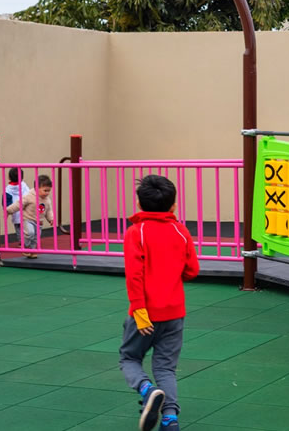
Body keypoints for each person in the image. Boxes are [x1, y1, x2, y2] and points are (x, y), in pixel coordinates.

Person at [119, 175, 200, 431]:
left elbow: (134, 275)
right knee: (166, 367)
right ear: (173, 205)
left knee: (129, 357)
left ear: (139, 203)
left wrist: (140, 311)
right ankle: (170, 419)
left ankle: (146, 388)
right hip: (174, 312)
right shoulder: (180, 230)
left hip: (145, 312)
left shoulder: (136, 232)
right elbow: (192, 270)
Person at [6, 174, 54, 259]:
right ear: (37, 188)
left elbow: (49, 210)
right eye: (45, 190)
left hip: (39, 222)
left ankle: (32, 251)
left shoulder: (47, 200)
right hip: (28, 219)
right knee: (29, 233)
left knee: (35, 238)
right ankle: (25, 246)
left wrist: (51, 219)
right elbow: (19, 204)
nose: (47, 193)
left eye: (48, 191)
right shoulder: (29, 196)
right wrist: (9, 210)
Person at [4, 167, 30, 241]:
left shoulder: (8, 189)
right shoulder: (24, 186)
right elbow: (30, 196)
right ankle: (28, 240)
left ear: (9, 177)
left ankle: (21, 241)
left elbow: (6, 201)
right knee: (26, 227)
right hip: (26, 211)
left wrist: (7, 211)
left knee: (18, 228)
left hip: (15, 211)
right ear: (22, 177)